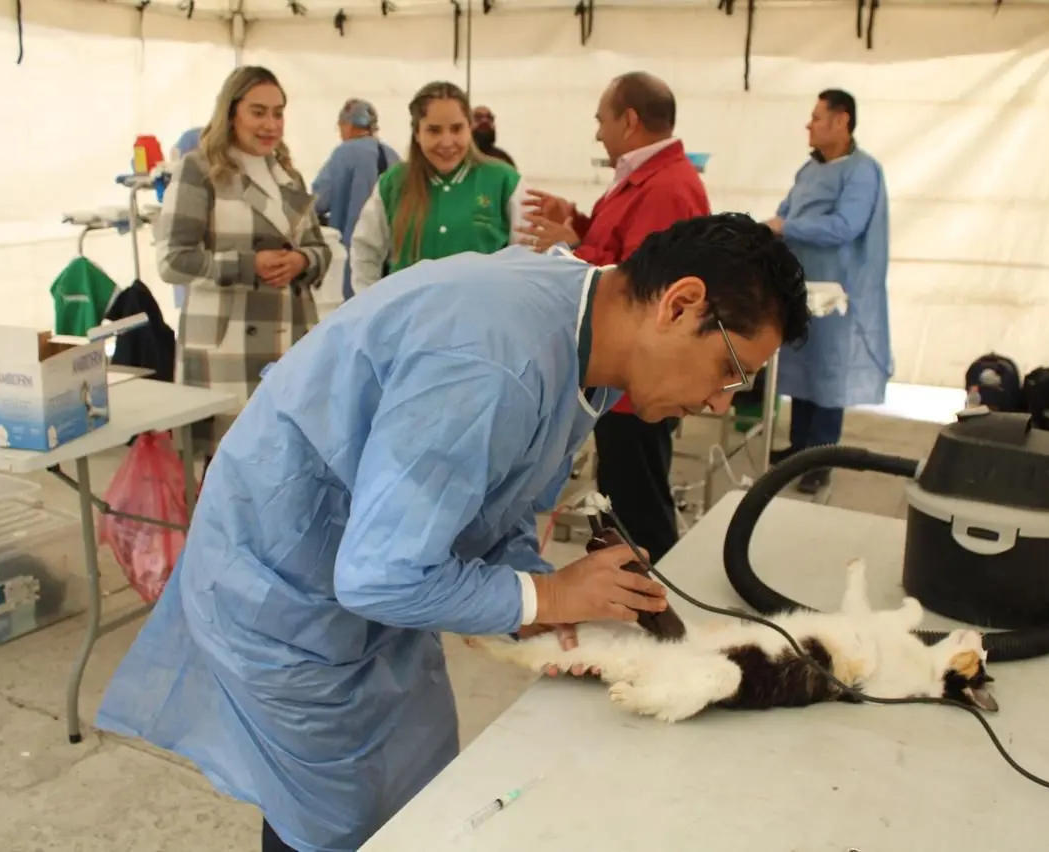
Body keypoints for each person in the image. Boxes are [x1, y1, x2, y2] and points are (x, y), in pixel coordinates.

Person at [95, 213, 810, 852]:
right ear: (680, 304)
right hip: (288, 590)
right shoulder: (495, 356)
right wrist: (545, 597)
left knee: (419, 794)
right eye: (729, 370)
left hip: (375, 575)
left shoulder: (580, 321)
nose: (720, 400)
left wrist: (543, 593)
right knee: (333, 823)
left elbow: (491, 497)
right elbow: (376, 574)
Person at [520, 71, 710, 565]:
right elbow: (626, 248)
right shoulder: (646, 179)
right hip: (623, 379)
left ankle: (664, 599)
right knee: (623, 494)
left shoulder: (666, 187)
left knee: (637, 503)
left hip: (637, 380)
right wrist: (579, 222)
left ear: (629, 120)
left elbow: (641, 290)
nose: (597, 132)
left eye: (601, 120)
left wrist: (568, 246)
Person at [155, 65, 332, 463]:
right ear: (231, 112)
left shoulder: (288, 175)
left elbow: (321, 249)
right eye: (258, 112)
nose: (271, 124)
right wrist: (250, 265)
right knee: (231, 467)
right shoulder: (199, 170)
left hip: (291, 340)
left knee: (288, 459)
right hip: (228, 347)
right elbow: (173, 260)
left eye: (278, 112)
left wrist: (302, 260)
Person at [765, 88, 892, 495]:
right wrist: (774, 227)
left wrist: (788, 228)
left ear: (842, 121)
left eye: (817, 117)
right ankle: (799, 448)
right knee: (803, 365)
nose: (810, 124)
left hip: (838, 292)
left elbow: (845, 226)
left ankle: (821, 459)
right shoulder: (810, 169)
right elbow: (786, 210)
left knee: (829, 374)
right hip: (802, 286)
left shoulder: (861, 172)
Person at [348, 81, 525, 293]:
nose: (447, 142)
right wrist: (372, 306)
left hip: (483, 322)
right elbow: (365, 253)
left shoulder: (504, 181)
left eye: (457, 129)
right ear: (417, 133)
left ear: (470, 128)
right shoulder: (393, 184)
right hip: (409, 322)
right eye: (434, 130)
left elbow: (527, 261)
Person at [310, 99, 401, 300]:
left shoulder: (344, 154)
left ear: (347, 125)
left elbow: (317, 201)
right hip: (393, 254)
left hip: (355, 253)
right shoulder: (392, 155)